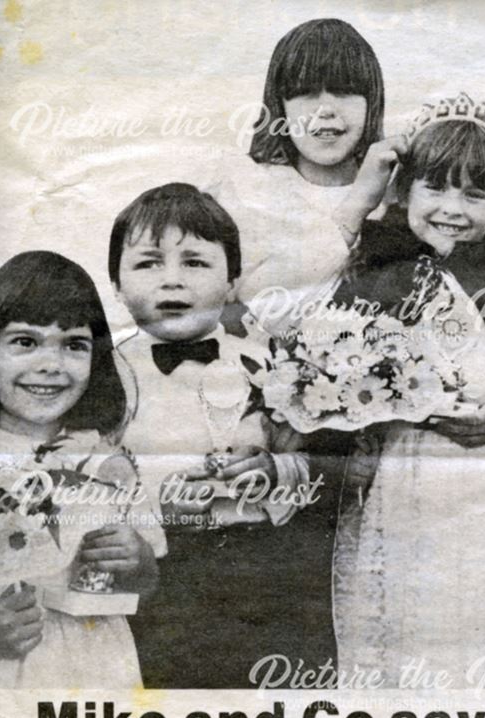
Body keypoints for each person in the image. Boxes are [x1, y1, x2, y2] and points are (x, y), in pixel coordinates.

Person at [331, 103, 485, 688]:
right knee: (388, 617)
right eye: (434, 187)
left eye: (475, 196)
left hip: (481, 484)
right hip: (395, 483)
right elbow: (333, 368)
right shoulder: (377, 274)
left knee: (463, 622)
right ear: (404, 191)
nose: (453, 210)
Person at [110, 183, 334, 687]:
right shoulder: (106, 374)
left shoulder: (272, 361)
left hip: (266, 569)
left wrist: (275, 471)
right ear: (118, 287)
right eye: (148, 264)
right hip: (159, 572)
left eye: (195, 262)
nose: (172, 281)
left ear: (233, 281)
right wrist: (153, 509)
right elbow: (84, 477)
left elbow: (316, 465)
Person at [0, 251, 160, 688]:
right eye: (25, 342)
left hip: (98, 663)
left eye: (74, 345)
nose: (51, 365)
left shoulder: (107, 457)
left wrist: (134, 557)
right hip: (2, 666)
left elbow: (148, 577)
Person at [207, 18, 404, 337]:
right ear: (280, 105)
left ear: (372, 102)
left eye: (345, 92)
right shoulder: (242, 189)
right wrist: (356, 207)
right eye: (306, 94)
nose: (326, 109)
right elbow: (262, 312)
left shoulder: (400, 191)